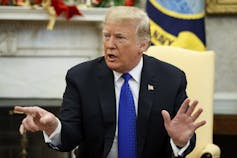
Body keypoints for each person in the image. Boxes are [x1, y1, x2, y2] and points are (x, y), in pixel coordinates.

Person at [14, 6, 206, 158]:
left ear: (143, 45)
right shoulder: (80, 77)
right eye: (107, 36)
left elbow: (183, 134)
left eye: (120, 37)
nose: (109, 44)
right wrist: (52, 126)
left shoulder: (171, 79)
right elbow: (69, 138)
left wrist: (180, 141)